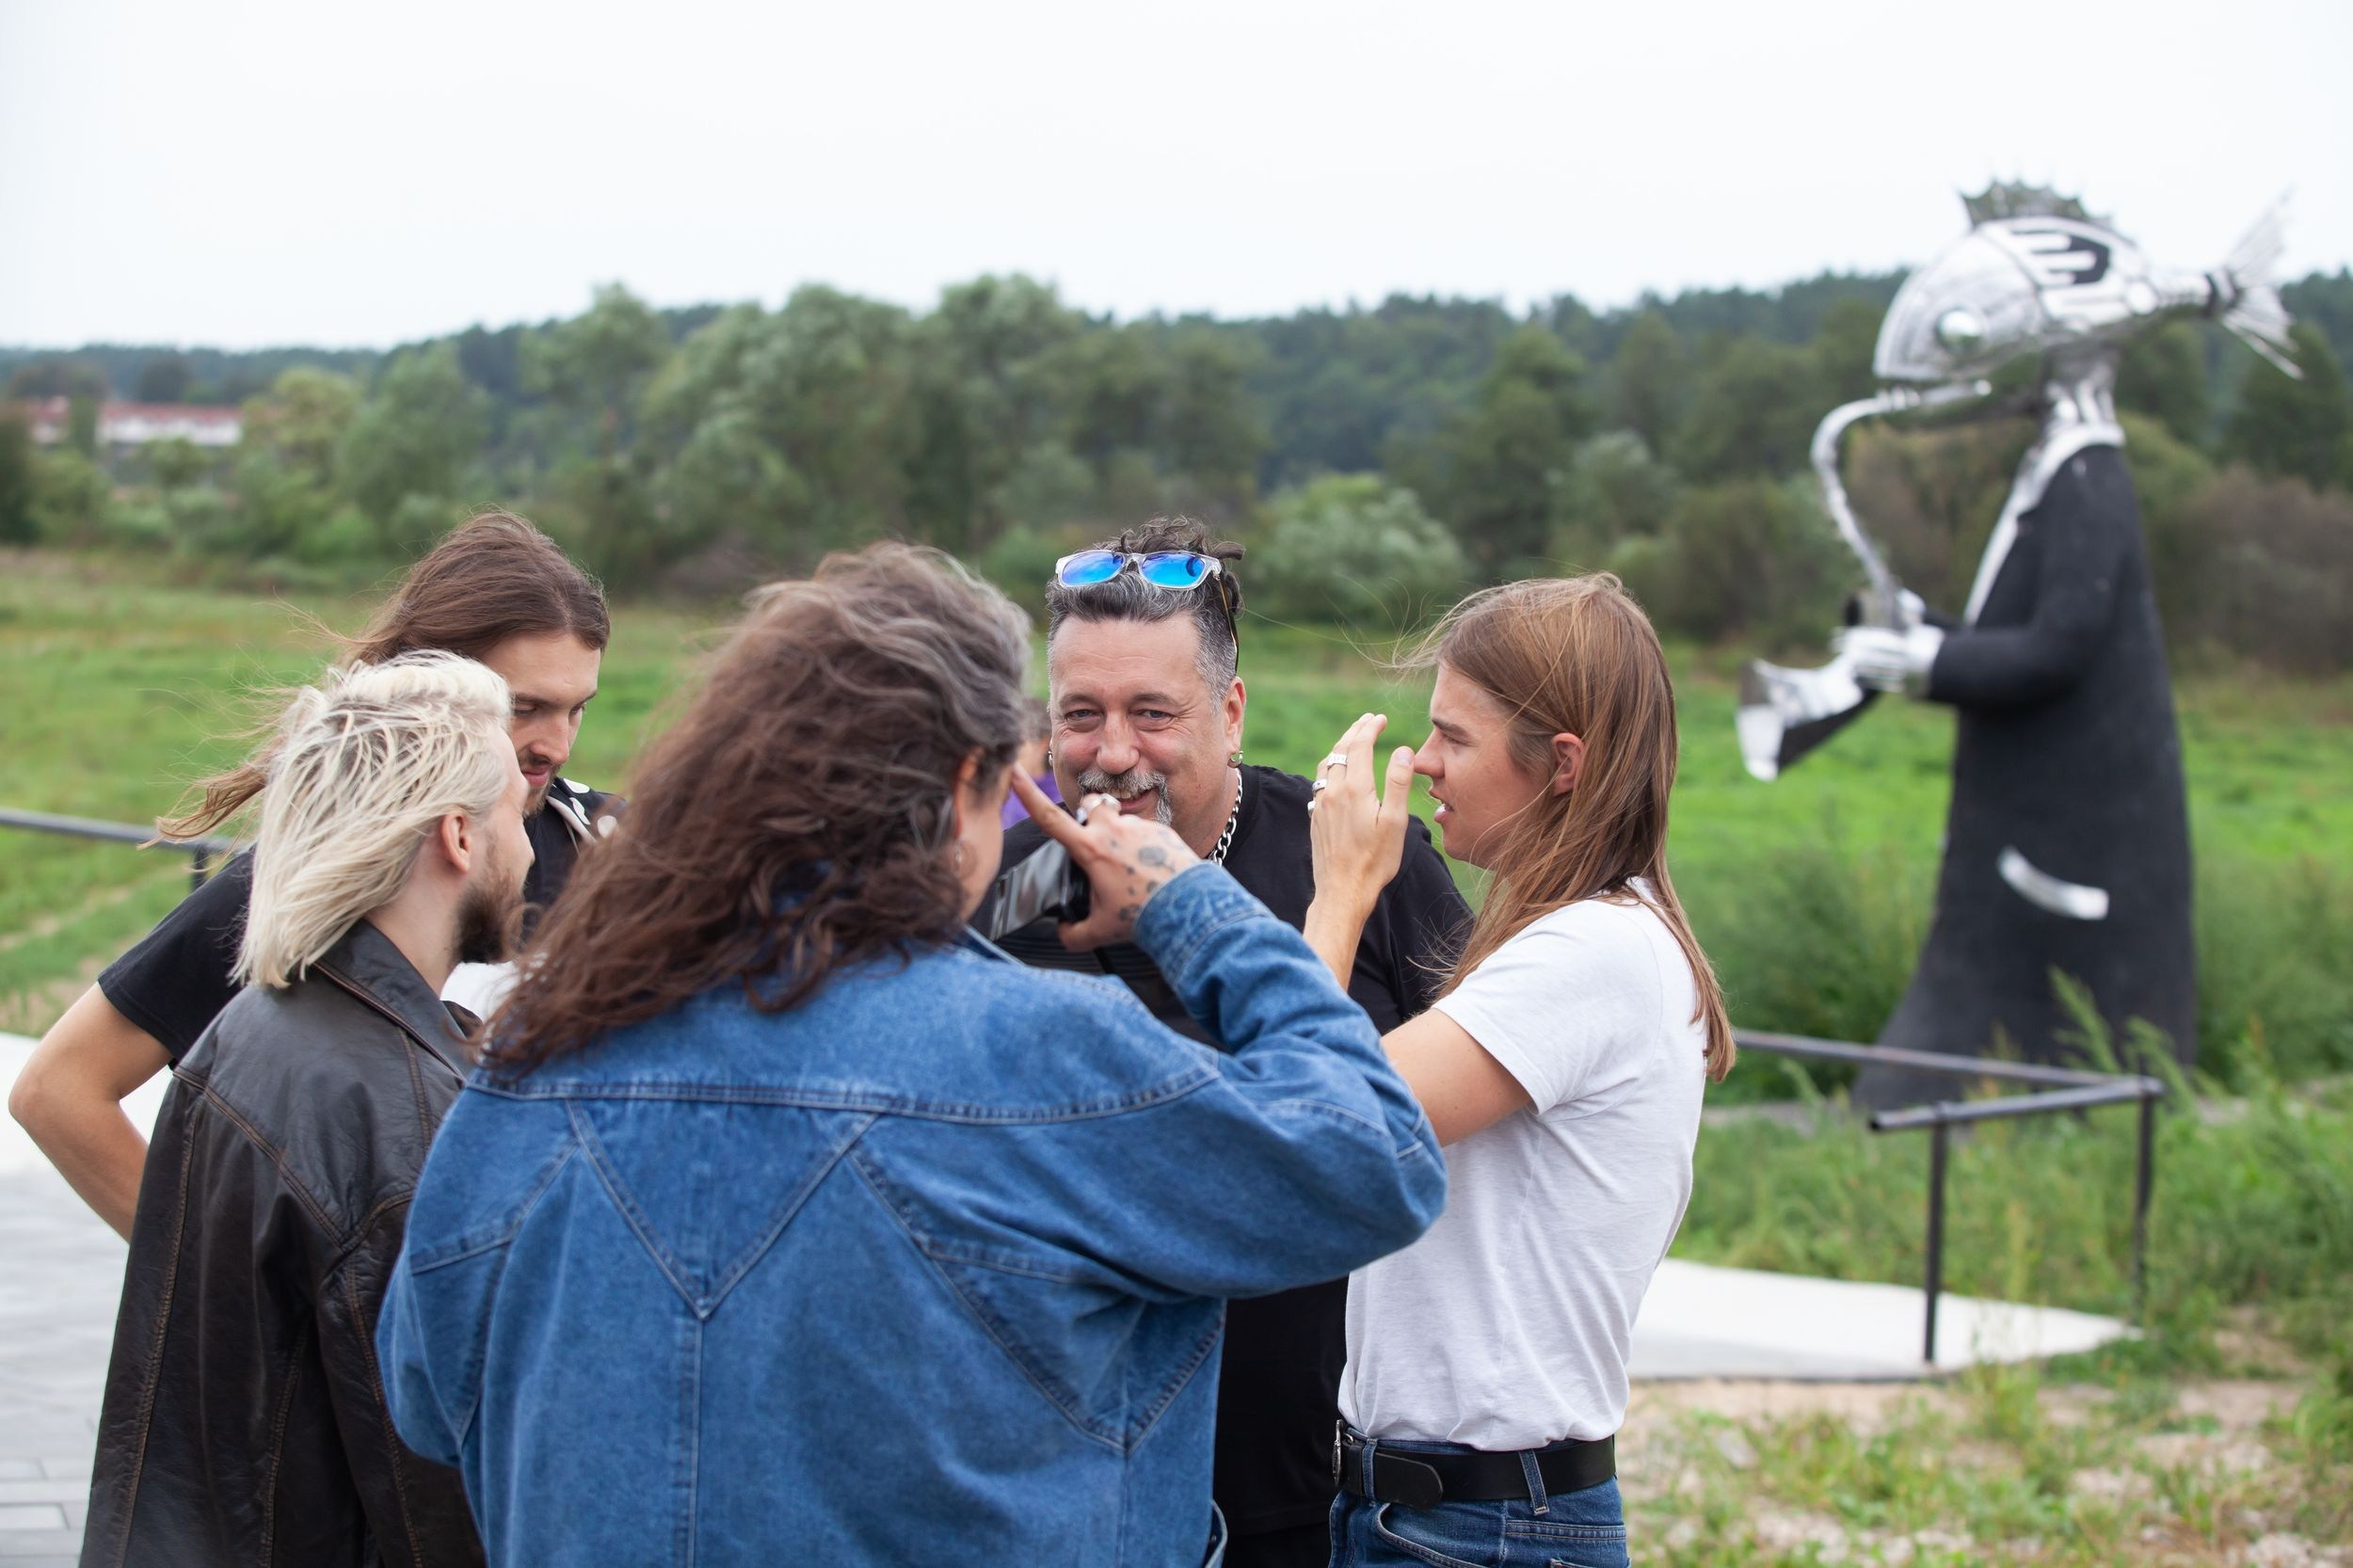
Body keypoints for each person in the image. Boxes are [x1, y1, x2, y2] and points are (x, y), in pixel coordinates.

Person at [376, 545, 1447, 1568]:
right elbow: (1374, 1154)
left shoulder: (537, 1049)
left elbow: (424, 1394)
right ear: (971, 780)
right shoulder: (1046, 1057)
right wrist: (1192, 907)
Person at [981, 518, 1470, 1568]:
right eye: (1081, 714)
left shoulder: (1359, 863)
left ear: (1232, 711)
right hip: (1058, 1492)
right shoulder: (995, 888)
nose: (1112, 753)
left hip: (1317, 1488)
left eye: (1153, 713)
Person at [8, 511, 619, 1239]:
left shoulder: (616, 854)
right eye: (527, 709)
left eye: (577, 710)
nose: (556, 745)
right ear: (430, 686)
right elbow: (60, 1090)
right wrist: (217, 1276)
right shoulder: (313, 882)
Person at [1303, 575, 1735, 1568]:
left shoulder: (1592, 953)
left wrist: (1340, 896)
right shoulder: (1591, 942)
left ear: (1562, 764)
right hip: (1447, 1514)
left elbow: (1317, 1117)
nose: (1424, 761)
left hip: (1479, 1526)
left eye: (1454, 736)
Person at [82, 652, 531, 1568]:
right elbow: (439, 1500)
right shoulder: (399, 1120)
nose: (529, 850)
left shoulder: (251, 1025)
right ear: (458, 835)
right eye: (519, 814)